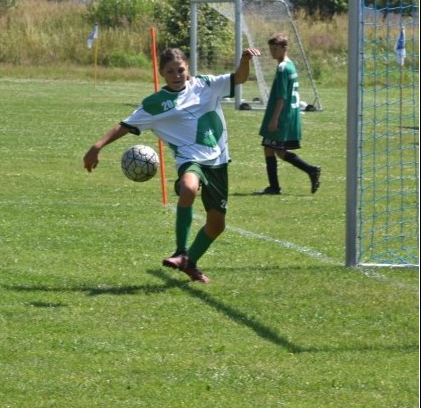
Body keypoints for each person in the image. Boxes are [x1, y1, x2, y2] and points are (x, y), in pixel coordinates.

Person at [83, 46, 258, 284]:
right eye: (170, 71)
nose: (177, 75)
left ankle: (190, 262)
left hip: (217, 161)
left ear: (188, 69)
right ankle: (180, 251)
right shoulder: (155, 104)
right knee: (188, 188)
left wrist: (245, 60)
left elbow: (239, 78)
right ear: (162, 74)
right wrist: (97, 147)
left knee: (216, 225)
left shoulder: (205, 85)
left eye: (181, 70)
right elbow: (124, 125)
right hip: (189, 160)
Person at [257, 33, 321, 195]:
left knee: (271, 149)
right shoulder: (290, 65)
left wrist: (274, 119)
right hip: (290, 114)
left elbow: (281, 96)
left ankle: (275, 187)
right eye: (271, 48)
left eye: (276, 48)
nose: (273, 52)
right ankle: (310, 171)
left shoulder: (283, 68)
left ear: (284, 48)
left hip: (282, 116)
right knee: (276, 150)